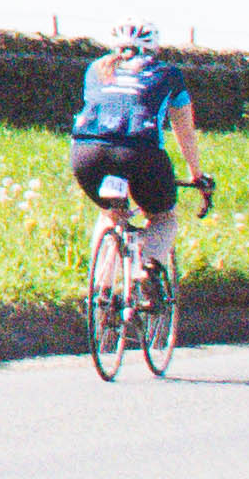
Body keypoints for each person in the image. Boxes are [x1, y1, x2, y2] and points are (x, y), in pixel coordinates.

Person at [68, 19, 205, 306]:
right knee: (163, 218)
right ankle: (148, 269)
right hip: (140, 153)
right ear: (154, 47)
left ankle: (100, 292)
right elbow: (184, 131)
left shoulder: (95, 69)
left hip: (86, 153)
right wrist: (197, 175)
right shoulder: (168, 74)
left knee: (109, 214)